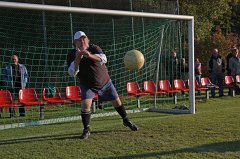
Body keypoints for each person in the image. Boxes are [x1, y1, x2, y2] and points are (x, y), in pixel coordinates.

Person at [67, 31, 138, 140]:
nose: (82, 41)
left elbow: (103, 59)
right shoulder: (72, 54)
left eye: (84, 38)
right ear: (75, 42)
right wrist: (78, 57)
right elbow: (73, 73)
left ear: (87, 39)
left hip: (105, 82)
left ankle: (126, 120)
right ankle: (86, 129)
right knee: (85, 106)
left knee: (117, 102)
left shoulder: (94, 48)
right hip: (88, 85)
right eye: (79, 40)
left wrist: (89, 55)